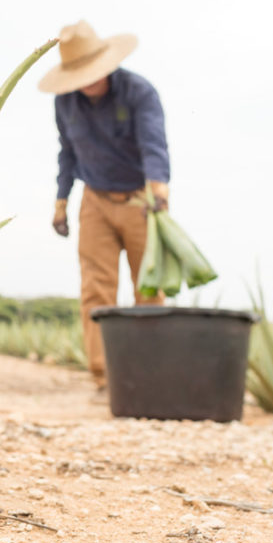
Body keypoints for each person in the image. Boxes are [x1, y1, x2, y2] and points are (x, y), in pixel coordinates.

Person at [38, 20, 169, 389]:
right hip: (94, 199)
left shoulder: (139, 92)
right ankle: (103, 376)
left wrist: (159, 190)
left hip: (140, 200)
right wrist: (61, 201)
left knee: (148, 286)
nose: (88, 81)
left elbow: (154, 145)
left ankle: (149, 376)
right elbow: (67, 153)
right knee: (96, 288)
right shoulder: (65, 102)